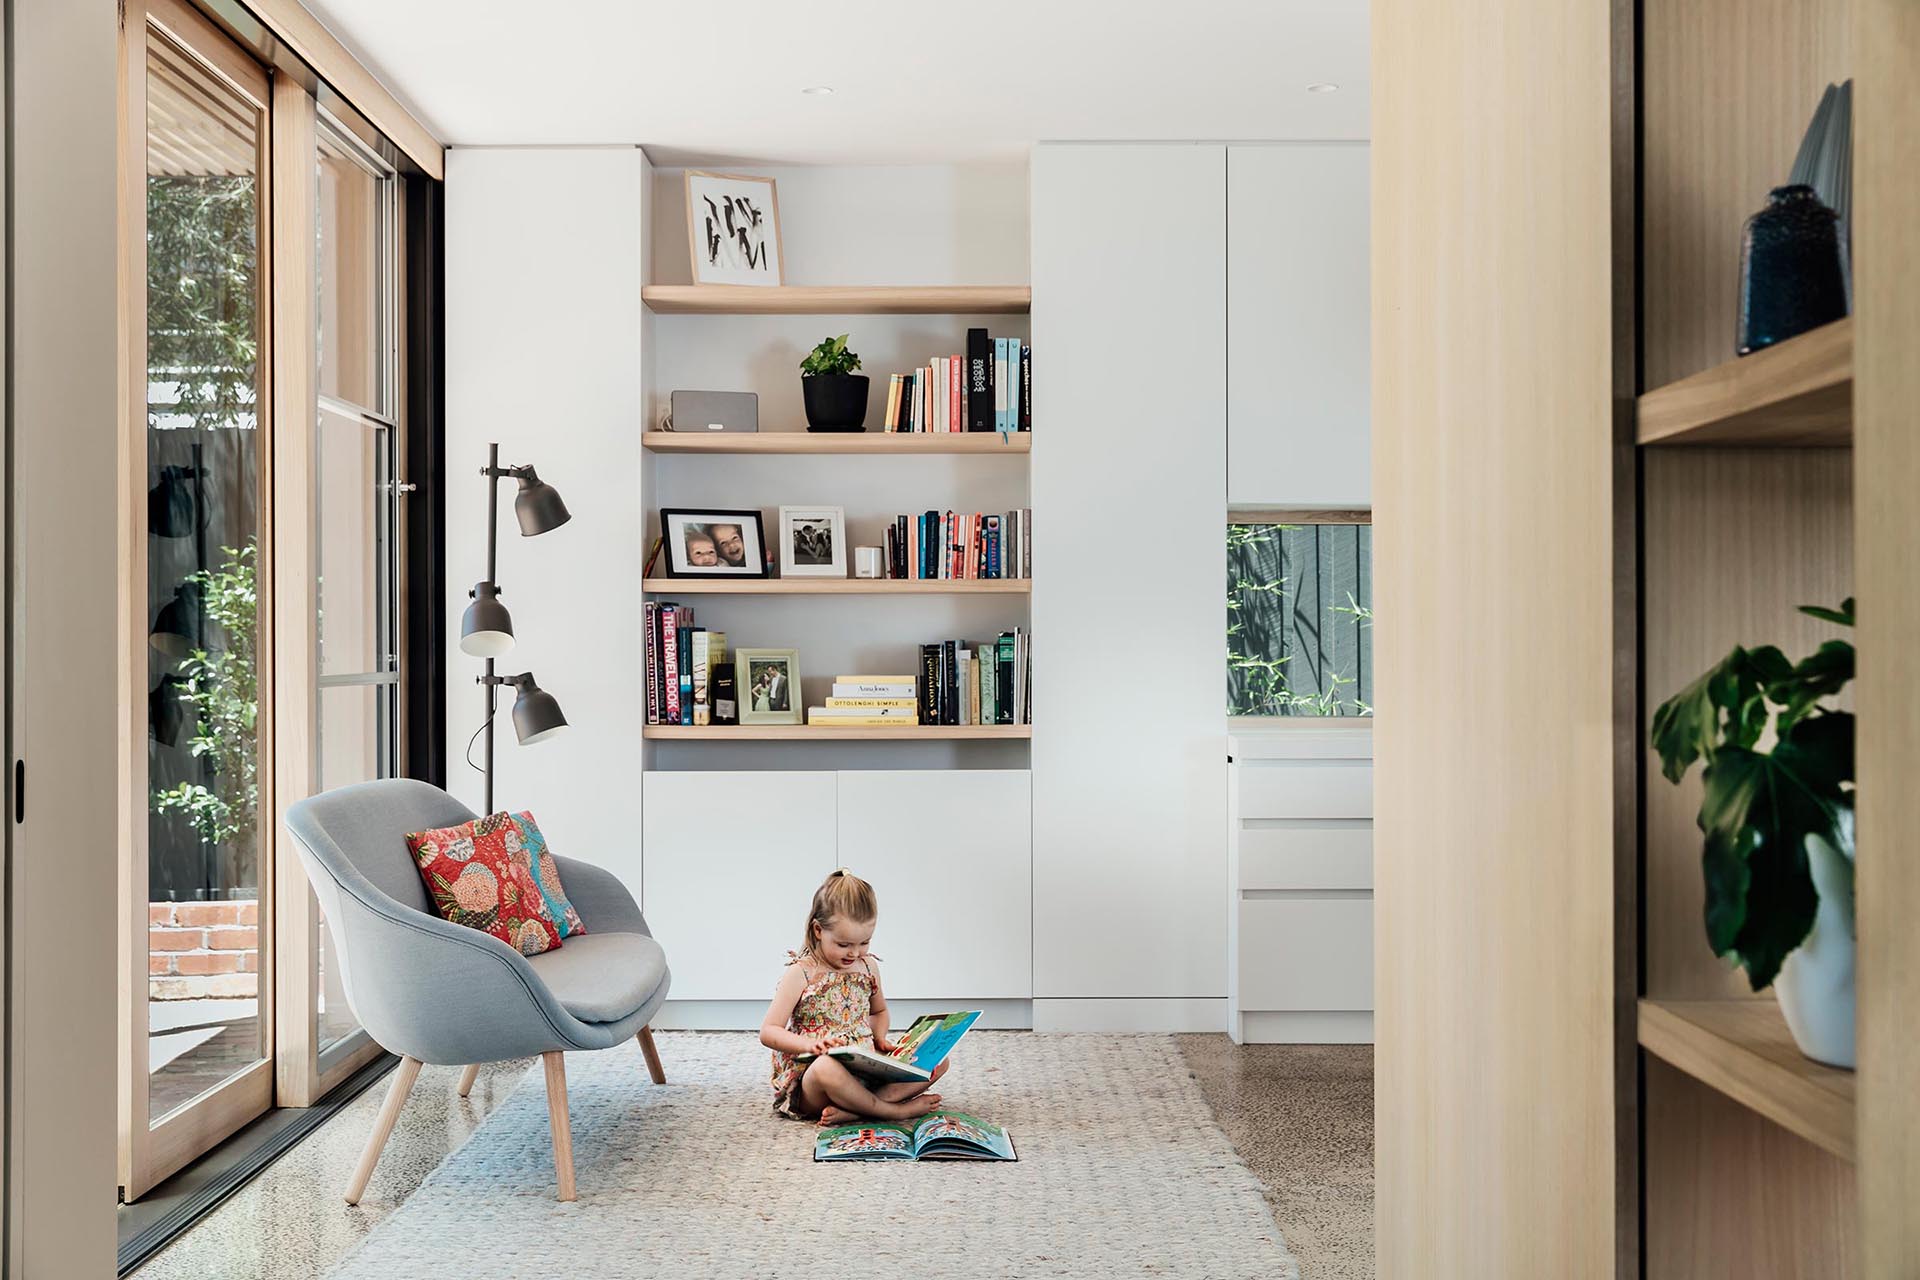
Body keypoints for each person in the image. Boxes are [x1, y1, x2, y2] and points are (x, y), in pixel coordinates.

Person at [759, 869, 949, 1125]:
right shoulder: (802, 972)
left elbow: (878, 1012)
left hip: (863, 1068)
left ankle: (858, 1110)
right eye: (843, 944)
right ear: (818, 930)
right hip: (814, 1081)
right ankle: (893, 1111)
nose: (854, 953)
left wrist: (880, 1036)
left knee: (939, 1059)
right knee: (826, 1067)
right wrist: (808, 1046)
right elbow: (769, 1031)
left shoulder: (868, 966)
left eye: (864, 943)